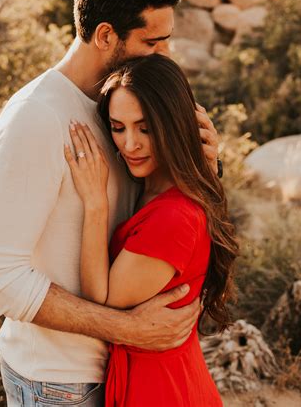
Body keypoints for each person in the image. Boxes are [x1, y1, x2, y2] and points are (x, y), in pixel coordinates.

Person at [0, 0, 220, 407]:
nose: (165, 55)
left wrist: (202, 164)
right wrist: (128, 328)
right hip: (60, 384)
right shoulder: (37, 118)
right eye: (154, 41)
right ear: (106, 35)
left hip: (124, 375)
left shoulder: (125, 105)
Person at [64, 54, 238, 407]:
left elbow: (102, 299)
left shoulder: (173, 215)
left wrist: (95, 204)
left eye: (145, 128)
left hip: (161, 389)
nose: (130, 144)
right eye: (118, 127)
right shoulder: (159, 187)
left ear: (174, 124)